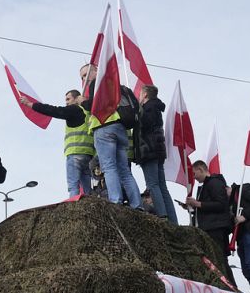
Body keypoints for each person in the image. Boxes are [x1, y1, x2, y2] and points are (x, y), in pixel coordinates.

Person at [79, 63, 141, 208]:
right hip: (119, 127)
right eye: (82, 76)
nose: (85, 79)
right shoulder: (115, 84)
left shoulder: (97, 82)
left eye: (86, 74)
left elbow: (95, 106)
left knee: (108, 167)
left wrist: (83, 102)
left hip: (103, 127)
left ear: (96, 71)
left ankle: (115, 202)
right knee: (124, 171)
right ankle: (137, 204)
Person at [19, 90, 94, 198]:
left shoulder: (73, 109)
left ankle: (72, 210)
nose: (66, 103)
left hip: (74, 154)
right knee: (87, 190)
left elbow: (53, 110)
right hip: (88, 155)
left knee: (73, 187)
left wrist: (30, 104)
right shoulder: (88, 113)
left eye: (68, 99)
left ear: (77, 98)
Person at [185, 160, 235, 286]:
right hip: (211, 226)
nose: (194, 177)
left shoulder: (214, 183)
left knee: (219, 259)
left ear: (201, 169)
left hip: (216, 228)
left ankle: (230, 286)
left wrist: (198, 204)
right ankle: (227, 285)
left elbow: (220, 204)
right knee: (216, 259)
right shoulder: (208, 185)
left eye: (194, 173)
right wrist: (194, 207)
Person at [136, 85, 178, 224]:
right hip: (158, 151)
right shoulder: (156, 107)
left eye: (140, 94)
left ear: (146, 95)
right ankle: (172, 219)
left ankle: (162, 216)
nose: (139, 96)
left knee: (153, 184)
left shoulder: (148, 108)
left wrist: (137, 112)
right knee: (161, 186)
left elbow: (144, 125)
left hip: (149, 151)